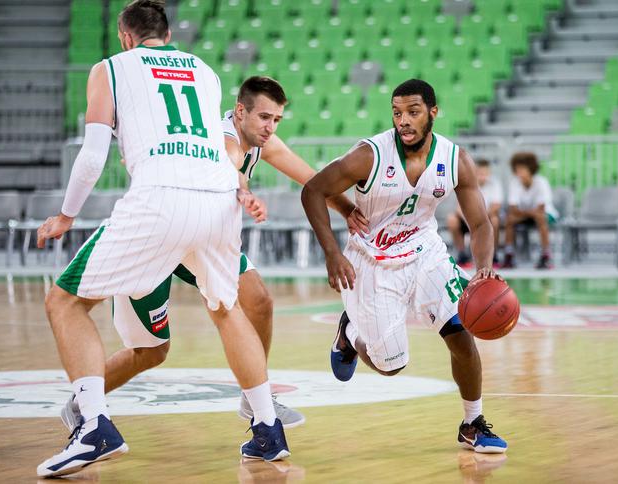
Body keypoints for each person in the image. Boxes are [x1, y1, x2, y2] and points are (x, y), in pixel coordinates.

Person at [35, 1, 289, 477]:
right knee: (226, 309)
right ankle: (268, 429)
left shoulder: (110, 68)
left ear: (125, 36)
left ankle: (93, 425)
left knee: (65, 302)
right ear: (167, 34)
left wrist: (67, 216)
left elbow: (93, 156)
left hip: (159, 197)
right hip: (217, 198)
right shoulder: (206, 72)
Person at [58, 76, 366, 433]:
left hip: (202, 238)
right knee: (153, 351)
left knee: (260, 302)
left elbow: (312, 179)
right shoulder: (224, 137)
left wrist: (347, 210)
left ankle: (255, 397)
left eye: (277, 120)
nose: (271, 127)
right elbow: (229, 165)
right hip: (161, 235)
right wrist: (244, 193)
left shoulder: (262, 141)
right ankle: (82, 401)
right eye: (265, 117)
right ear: (240, 111)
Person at [301, 79, 508, 454]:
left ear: (433, 112)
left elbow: (479, 223)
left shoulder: (454, 158)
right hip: (371, 262)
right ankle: (351, 334)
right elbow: (314, 189)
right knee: (391, 365)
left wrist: (482, 269)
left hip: (425, 251)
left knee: (461, 332)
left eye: (413, 112)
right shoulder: (369, 155)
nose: (404, 121)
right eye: (397, 113)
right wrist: (332, 252)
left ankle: (472, 422)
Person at [502, 152, 558, 269]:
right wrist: (528, 213)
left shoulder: (541, 182)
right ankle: (509, 254)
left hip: (546, 214)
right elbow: (512, 208)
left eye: (522, 169)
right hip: (526, 215)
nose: (519, 172)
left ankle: (545, 255)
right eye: (517, 169)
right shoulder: (514, 182)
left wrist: (523, 212)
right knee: (509, 219)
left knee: (541, 217)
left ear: (531, 169)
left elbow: (541, 208)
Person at [446, 158, 502, 266]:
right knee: (452, 220)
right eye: (480, 173)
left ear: (489, 173)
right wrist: (471, 220)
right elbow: (459, 207)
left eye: (485, 173)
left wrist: (480, 219)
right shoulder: (465, 182)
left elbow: (496, 206)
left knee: (495, 220)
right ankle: (462, 254)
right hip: (467, 218)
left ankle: (493, 255)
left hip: (486, 218)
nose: (482, 176)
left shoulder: (495, 184)